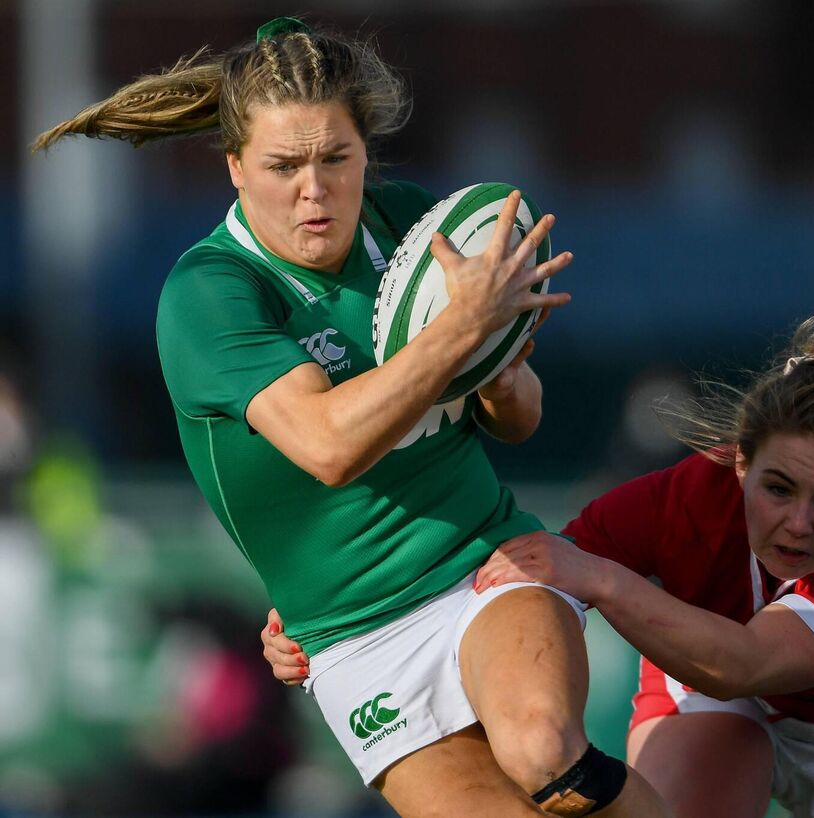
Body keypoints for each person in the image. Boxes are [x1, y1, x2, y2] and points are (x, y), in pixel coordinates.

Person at [34, 18, 668, 818]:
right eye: (283, 165)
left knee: (543, 746)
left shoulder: (412, 229)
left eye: (336, 158)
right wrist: (460, 333)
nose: (315, 188)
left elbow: (520, 419)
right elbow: (329, 446)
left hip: (484, 568)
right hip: (352, 641)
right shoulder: (210, 293)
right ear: (235, 167)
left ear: (367, 152)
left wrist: (501, 364)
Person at [263, 253, 814, 818]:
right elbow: (505, 583)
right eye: (776, 488)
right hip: (711, 706)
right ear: (735, 462)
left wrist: (605, 582)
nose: (799, 524)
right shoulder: (677, 501)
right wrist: (331, 615)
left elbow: (751, 661)